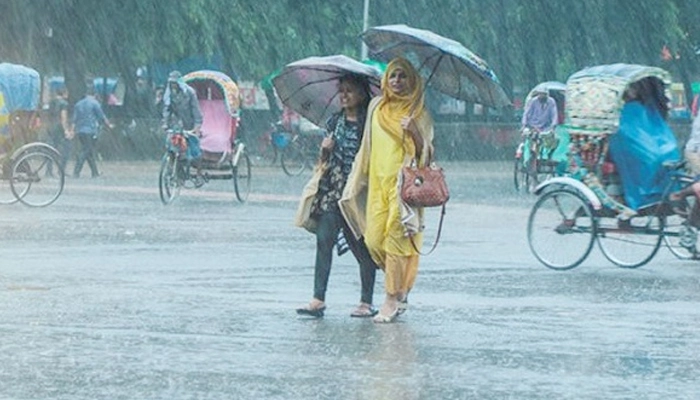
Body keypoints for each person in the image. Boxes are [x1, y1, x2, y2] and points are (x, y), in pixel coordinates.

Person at [339, 57, 434, 323]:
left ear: (412, 80)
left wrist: (414, 132)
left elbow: (426, 157)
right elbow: (367, 146)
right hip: (376, 186)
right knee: (373, 241)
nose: (397, 81)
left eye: (403, 76)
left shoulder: (419, 113)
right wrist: (357, 181)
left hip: (402, 189)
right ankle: (401, 286)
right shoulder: (375, 107)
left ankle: (391, 299)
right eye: (393, 76)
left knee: (395, 239)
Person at [294, 74, 379, 318]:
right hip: (333, 190)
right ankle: (318, 299)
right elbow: (323, 162)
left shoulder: (370, 124)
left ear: (362, 94)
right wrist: (324, 151)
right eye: (341, 91)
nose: (344, 95)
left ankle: (366, 301)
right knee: (324, 241)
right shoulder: (334, 122)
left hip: (358, 193)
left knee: (362, 247)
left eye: (349, 91)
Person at [608, 77, 680, 211]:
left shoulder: (646, 107)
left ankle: (663, 195)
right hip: (629, 144)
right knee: (652, 158)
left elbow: (656, 129)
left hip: (646, 141)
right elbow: (626, 132)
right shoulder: (623, 109)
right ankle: (645, 195)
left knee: (669, 155)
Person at [72, 84, 113, 178]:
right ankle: (76, 171)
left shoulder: (78, 104)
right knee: (86, 151)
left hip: (80, 130)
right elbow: (101, 116)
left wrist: (72, 130)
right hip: (90, 130)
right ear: (94, 94)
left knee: (89, 151)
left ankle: (94, 172)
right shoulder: (95, 103)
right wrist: (109, 125)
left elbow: (74, 119)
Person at [46, 87, 73, 172]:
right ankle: (61, 170)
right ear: (64, 93)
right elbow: (63, 117)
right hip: (59, 127)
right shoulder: (64, 103)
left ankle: (49, 170)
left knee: (51, 148)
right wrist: (66, 130)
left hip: (51, 126)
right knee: (67, 148)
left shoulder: (51, 102)